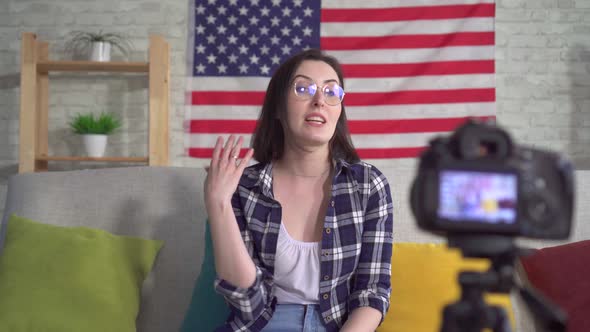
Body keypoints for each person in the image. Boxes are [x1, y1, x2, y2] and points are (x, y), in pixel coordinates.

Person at [204, 49, 393, 332]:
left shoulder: (369, 185)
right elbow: (247, 304)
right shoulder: (244, 187)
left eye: (331, 92)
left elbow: (372, 291)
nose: (319, 101)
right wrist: (218, 202)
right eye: (303, 88)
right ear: (278, 108)